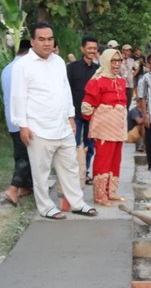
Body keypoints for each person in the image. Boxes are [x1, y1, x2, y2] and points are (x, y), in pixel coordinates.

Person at [11, 21, 98, 219]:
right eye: (41, 39)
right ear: (32, 41)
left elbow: (65, 91)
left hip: (63, 125)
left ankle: (77, 203)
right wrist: (22, 126)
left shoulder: (58, 62)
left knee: (70, 166)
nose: (47, 43)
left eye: (50, 39)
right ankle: (45, 207)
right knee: (41, 171)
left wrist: (71, 116)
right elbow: (17, 97)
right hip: (37, 128)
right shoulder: (22, 66)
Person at [82, 48, 128, 206]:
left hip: (118, 129)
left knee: (115, 160)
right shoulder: (97, 82)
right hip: (104, 129)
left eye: (119, 61)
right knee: (103, 160)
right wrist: (99, 121)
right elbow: (86, 107)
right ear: (105, 62)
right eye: (113, 61)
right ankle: (100, 196)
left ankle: (111, 192)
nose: (116, 64)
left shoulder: (121, 81)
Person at [1, 40, 34, 206]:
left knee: (20, 155)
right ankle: (13, 189)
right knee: (26, 157)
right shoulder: (24, 68)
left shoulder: (7, 68)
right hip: (24, 121)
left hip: (11, 120)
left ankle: (25, 187)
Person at [67, 36, 100, 185]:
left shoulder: (98, 70)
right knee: (73, 145)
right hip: (75, 114)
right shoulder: (72, 68)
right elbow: (65, 90)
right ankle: (72, 173)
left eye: (94, 48)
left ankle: (85, 172)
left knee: (89, 145)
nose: (92, 51)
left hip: (92, 115)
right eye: (89, 48)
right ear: (82, 49)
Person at [121, 44, 140, 109]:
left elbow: (137, 67)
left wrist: (133, 75)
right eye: (127, 51)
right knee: (121, 103)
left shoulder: (131, 60)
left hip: (130, 85)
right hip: (121, 85)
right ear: (123, 51)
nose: (128, 52)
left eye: (129, 51)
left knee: (128, 103)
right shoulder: (119, 60)